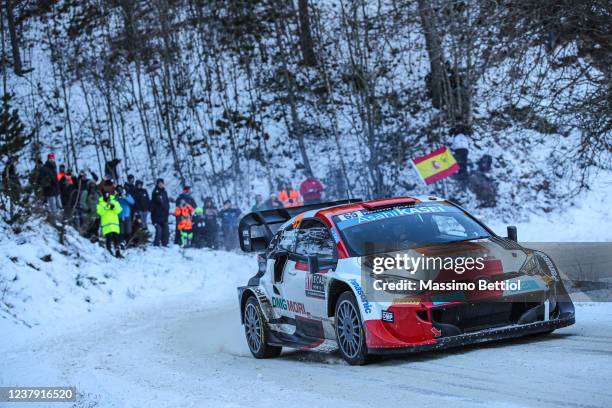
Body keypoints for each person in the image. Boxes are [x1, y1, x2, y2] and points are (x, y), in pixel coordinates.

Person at [96, 191, 123, 258]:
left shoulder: (114, 202)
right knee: (108, 238)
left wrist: (113, 207)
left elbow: (119, 210)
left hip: (114, 224)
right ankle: (109, 251)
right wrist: (107, 206)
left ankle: (117, 252)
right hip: (106, 225)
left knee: (116, 238)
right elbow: (100, 212)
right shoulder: (100, 204)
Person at [38, 153, 61, 220]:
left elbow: (56, 179)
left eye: (52, 158)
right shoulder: (44, 168)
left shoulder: (54, 167)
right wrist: (47, 183)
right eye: (50, 158)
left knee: (59, 206)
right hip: (49, 191)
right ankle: (54, 221)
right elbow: (40, 180)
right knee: (53, 207)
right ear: (48, 159)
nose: (52, 160)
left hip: (56, 190)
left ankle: (60, 221)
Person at [151, 178, 170, 246]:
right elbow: (156, 202)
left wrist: (167, 210)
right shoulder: (155, 192)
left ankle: (165, 243)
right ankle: (156, 244)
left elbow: (166, 203)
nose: (161, 185)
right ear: (157, 184)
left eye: (162, 183)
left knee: (166, 231)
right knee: (159, 231)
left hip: (164, 215)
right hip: (156, 216)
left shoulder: (165, 192)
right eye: (159, 183)